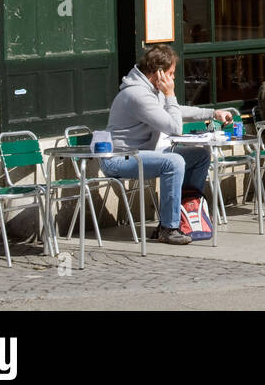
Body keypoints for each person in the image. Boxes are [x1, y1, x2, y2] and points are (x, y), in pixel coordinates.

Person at [99, 44, 235, 245]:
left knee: (200, 155)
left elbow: (175, 109)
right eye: (171, 73)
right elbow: (174, 127)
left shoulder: (150, 89)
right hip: (119, 158)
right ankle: (168, 228)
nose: (172, 78)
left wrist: (212, 113)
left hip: (141, 154)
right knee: (173, 162)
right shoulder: (137, 95)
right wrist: (170, 94)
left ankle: (187, 209)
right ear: (158, 73)